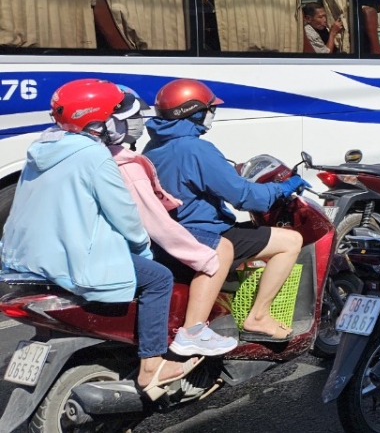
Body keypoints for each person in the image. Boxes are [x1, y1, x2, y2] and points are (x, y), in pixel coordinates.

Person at [1, 79, 201, 398]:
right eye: (119, 117)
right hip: (71, 258)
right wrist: (143, 251)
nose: (124, 124)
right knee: (160, 278)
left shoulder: (43, 148)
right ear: (98, 122)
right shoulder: (94, 157)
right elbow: (126, 217)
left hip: (24, 258)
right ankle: (152, 364)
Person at [144, 79, 307, 341]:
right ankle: (259, 316)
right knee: (291, 241)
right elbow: (245, 197)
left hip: (172, 235)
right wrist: (283, 188)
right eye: (210, 109)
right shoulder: (195, 148)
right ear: (194, 111)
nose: (212, 115)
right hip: (203, 232)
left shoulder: (154, 146)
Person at [107, 87, 238, 356]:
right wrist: (196, 252)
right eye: (210, 109)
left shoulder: (142, 149)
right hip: (144, 243)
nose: (137, 122)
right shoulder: (127, 164)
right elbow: (155, 224)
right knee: (165, 276)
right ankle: (168, 350)